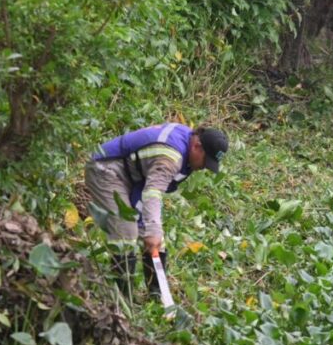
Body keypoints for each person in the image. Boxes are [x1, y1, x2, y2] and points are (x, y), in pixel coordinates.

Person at [84, 123, 228, 297]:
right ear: (197, 146)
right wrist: (153, 229)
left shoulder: (186, 138)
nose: (204, 167)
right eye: (205, 161)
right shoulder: (170, 157)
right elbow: (153, 192)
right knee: (126, 232)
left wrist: (152, 232)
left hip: (133, 176)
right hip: (106, 169)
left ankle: (157, 298)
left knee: (156, 241)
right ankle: (122, 301)